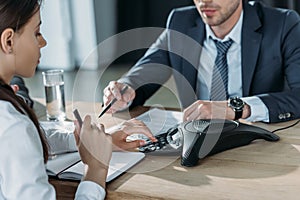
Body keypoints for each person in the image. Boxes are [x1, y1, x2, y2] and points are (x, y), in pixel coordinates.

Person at [0, 0, 156, 199]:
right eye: (36, 33)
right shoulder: (13, 126)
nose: (43, 42)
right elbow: (18, 137)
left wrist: (89, 141)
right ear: (9, 41)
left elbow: (26, 139)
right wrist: (96, 169)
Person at [103, 0, 300, 124]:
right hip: (199, 141)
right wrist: (125, 89)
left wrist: (236, 108)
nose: (205, 1)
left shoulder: (283, 24)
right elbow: (146, 70)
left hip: (260, 138)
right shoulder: (181, 21)